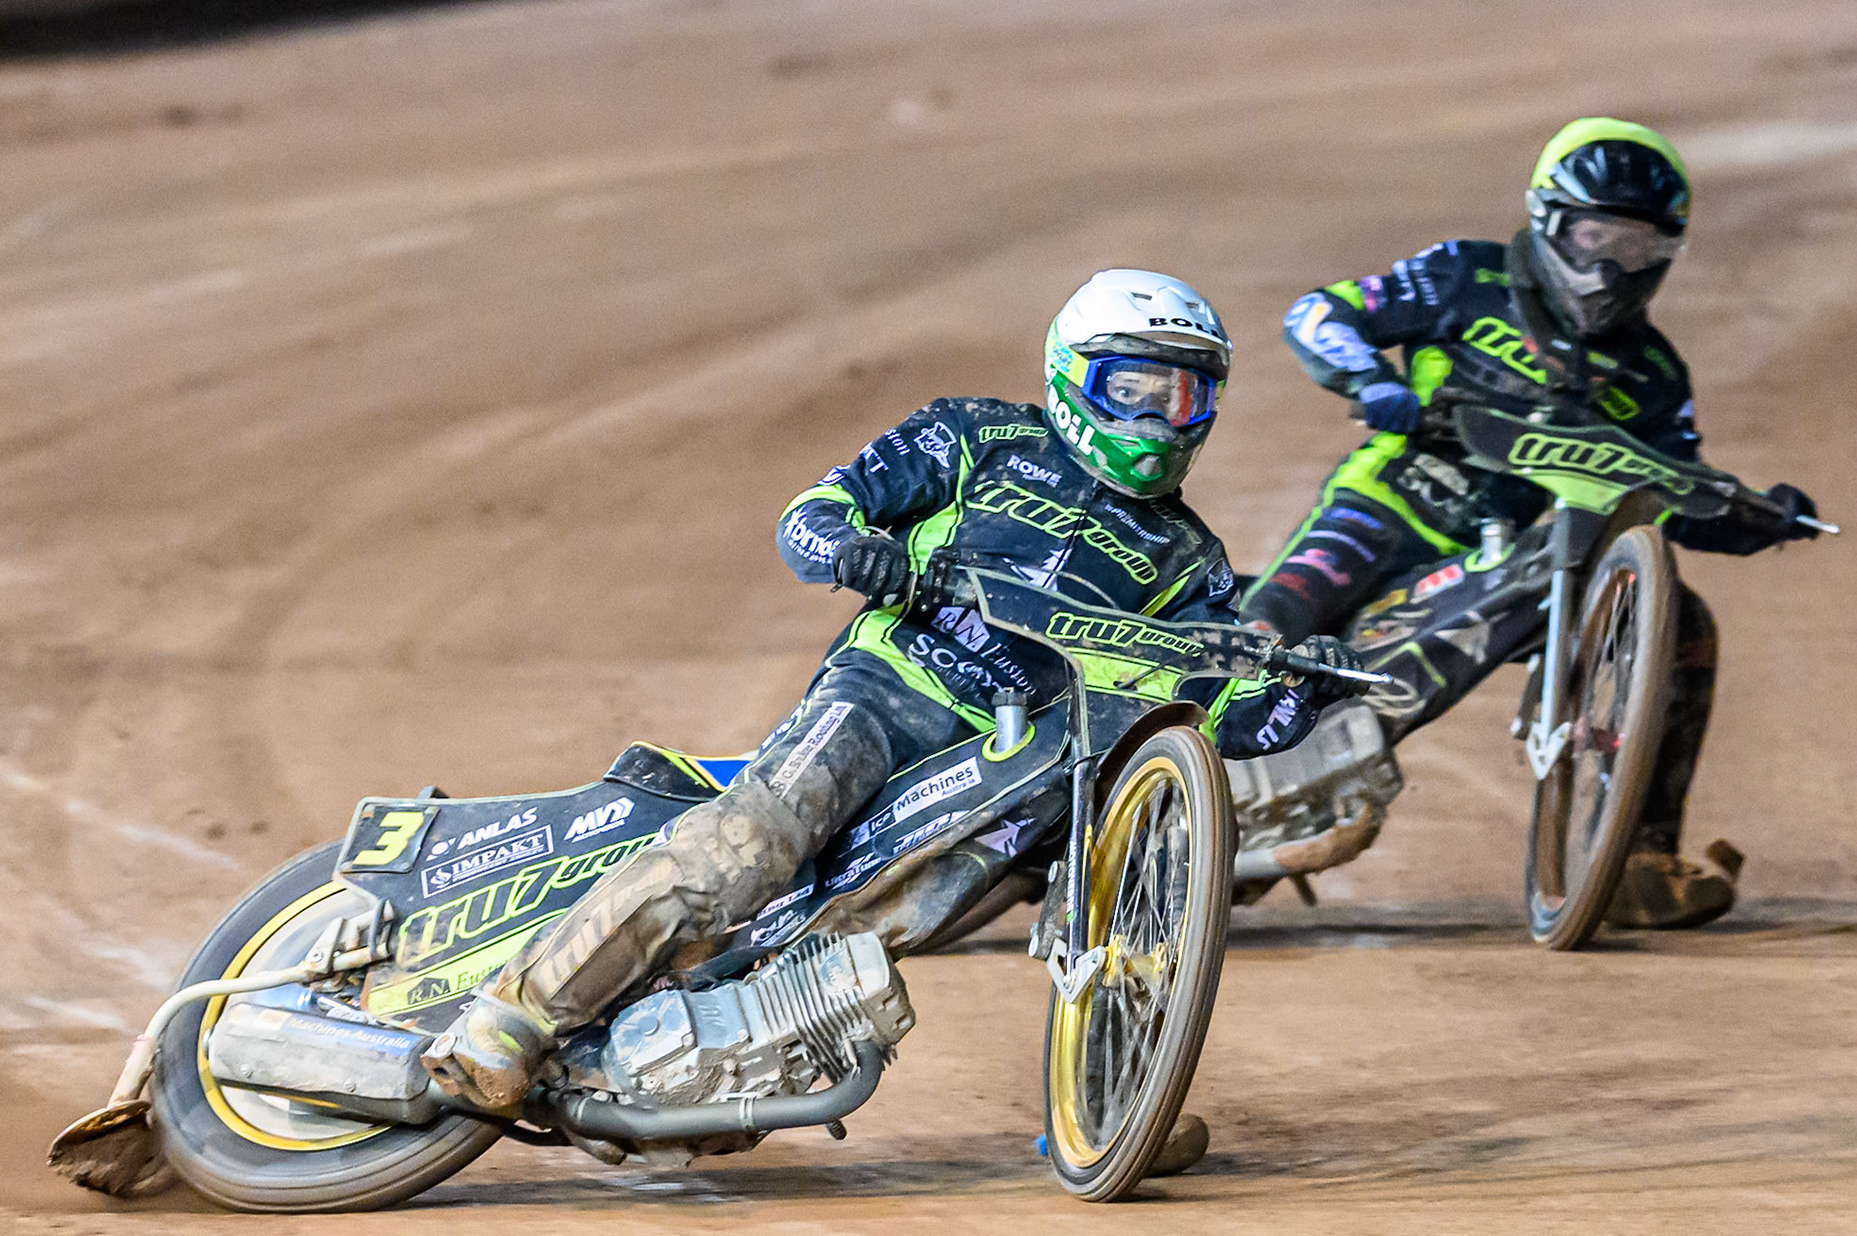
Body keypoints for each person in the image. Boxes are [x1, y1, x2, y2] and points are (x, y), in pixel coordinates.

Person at [425, 269, 1359, 1109]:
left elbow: (1228, 706)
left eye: (1185, 395)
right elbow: (813, 514)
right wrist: (855, 549)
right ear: (1074, 376)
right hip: (893, 684)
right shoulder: (978, 436)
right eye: (1134, 388)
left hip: (1015, 759)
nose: (1158, 418)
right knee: (751, 847)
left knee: (909, 932)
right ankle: (515, 1016)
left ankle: (1119, 1101)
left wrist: (1299, 690)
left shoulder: (1192, 561)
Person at [1238, 118, 1825, 929]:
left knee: (1682, 620)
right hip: (1390, 502)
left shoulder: (1654, 373)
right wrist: (1369, 378)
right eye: (1595, 235)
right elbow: (1319, 313)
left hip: (1523, 553)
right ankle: (1167, 780)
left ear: (1667, 252)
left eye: (1639, 244)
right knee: (1275, 621)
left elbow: (1674, 490)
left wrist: (1759, 516)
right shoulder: (1463, 275)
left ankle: (1640, 857)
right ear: (1549, 222)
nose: (1611, 264)